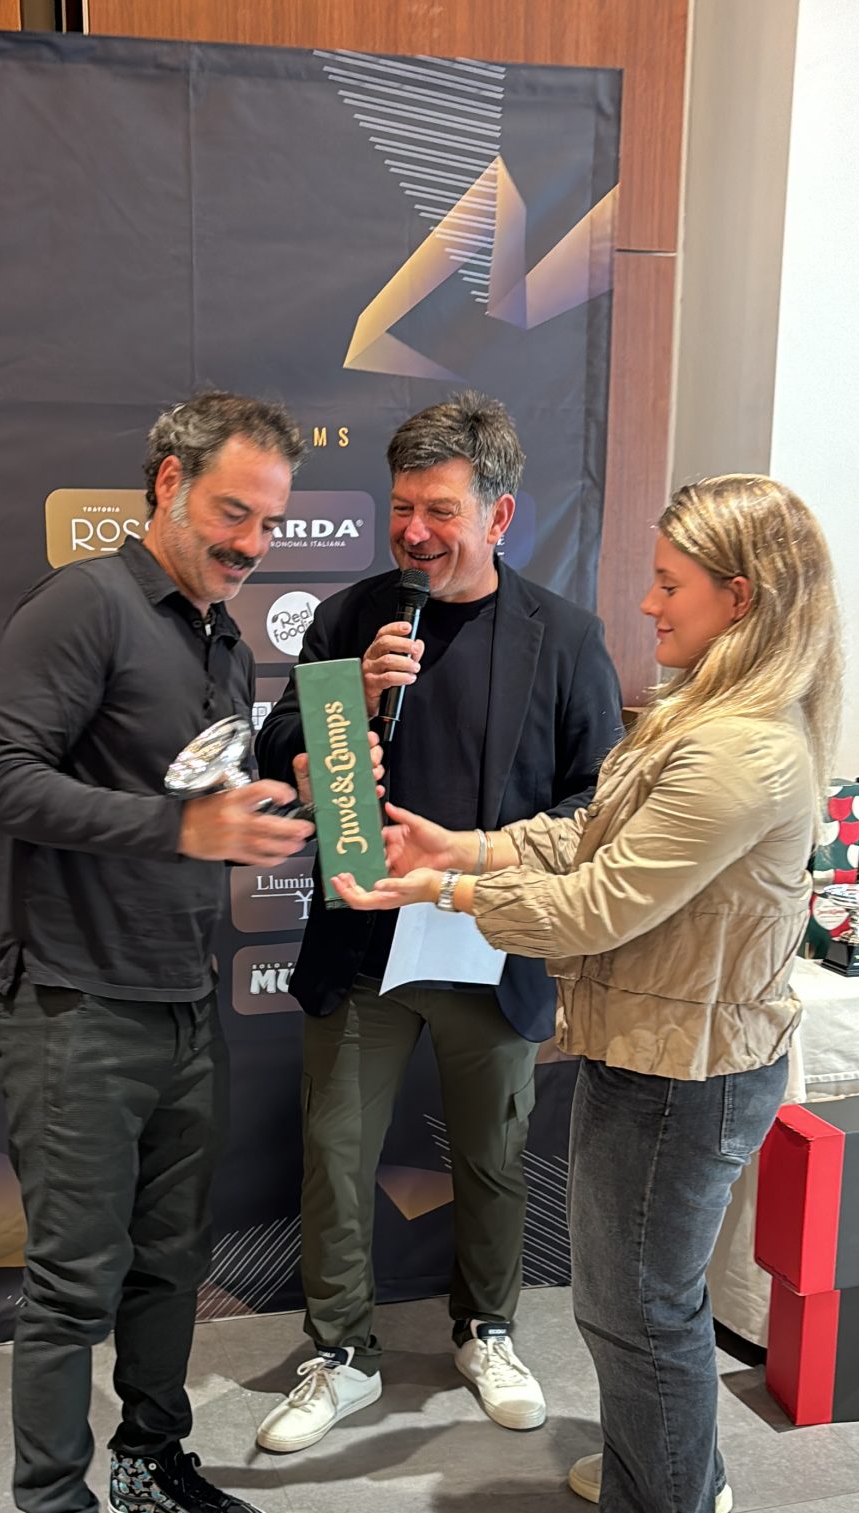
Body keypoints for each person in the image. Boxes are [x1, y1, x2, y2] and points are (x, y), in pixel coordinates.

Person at [334, 474, 842, 1513]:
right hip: (658, 1051)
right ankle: (678, 1478)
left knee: (636, 1307)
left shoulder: (736, 749)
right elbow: (587, 841)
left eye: (668, 584)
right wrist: (464, 848)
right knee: (643, 1300)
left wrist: (441, 892)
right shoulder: (706, 720)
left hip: (682, 1075)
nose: (647, 604)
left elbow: (598, 905)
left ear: (740, 596)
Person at [0, 391, 317, 1513]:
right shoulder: (83, 607)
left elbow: (189, 787)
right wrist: (181, 830)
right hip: (72, 1002)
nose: (250, 545)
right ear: (165, 483)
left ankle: (151, 1465)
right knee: (72, 1285)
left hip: (179, 996)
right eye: (231, 512)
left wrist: (265, 799)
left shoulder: (216, 634)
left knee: (170, 1262)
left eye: (267, 522)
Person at [254, 391, 622, 1453]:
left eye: (439, 511)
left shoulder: (565, 637)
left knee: (494, 1156)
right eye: (401, 507)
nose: (413, 532)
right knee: (334, 1151)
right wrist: (350, 705)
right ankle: (340, 1352)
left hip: (488, 939)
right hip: (363, 942)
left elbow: (596, 800)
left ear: (497, 517)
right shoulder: (348, 619)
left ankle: (487, 1330)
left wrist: (477, 858)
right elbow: (277, 753)